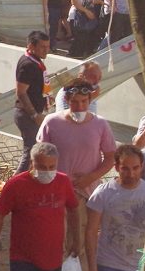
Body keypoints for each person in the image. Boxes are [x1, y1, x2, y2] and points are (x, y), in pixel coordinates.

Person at [0, 142, 80, 271]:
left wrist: (76, 240)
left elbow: (73, 209)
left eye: (52, 167)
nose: (48, 171)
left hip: (53, 258)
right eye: (42, 167)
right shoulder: (16, 185)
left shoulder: (63, 182)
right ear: (32, 164)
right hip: (23, 259)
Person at [35, 75, 115, 256]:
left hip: (86, 194)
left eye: (84, 102)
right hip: (55, 192)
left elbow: (110, 158)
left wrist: (90, 178)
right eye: (75, 102)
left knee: (80, 245)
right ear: (66, 100)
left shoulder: (101, 124)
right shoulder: (52, 122)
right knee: (54, 242)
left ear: (90, 100)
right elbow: (39, 155)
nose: (79, 107)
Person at [85, 144, 145, 271]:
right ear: (116, 167)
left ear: (142, 166)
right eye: (125, 168)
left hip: (140, 267)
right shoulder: (103, 193)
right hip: (109, 266)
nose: (131, 173)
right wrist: (92, 268)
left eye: (135, 168)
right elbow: (91, 232)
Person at [14, 31, 52, 174]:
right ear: (31, 46)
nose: (46, 50)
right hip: (27, 115)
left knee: (32, 152)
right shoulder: (28, 64)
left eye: (47, 46)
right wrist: (34, 115)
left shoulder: (35, 61)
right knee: (30, 153)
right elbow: (21, 92)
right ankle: (13, 186)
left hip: (31, 113)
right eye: (42, 47)